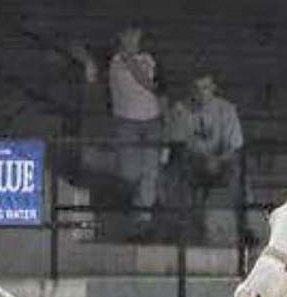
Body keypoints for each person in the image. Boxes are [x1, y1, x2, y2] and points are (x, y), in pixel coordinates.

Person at [178, 74, 252, 246]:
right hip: (197, 162)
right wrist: (204, 158)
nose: (202, 93)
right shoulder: (183, 110)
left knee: (239, 177)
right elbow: (184, 143)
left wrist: (218, 160)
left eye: (206, 88)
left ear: (213, 89)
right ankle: (187, 231)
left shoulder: (227, 109)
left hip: (223, 161)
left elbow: (235, 146)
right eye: (198, 88)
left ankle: (244, 227)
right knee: (179, 174)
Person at [107, 26, 162, 239]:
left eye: (136, 35)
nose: (133, 39)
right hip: (126, 122)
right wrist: (88, 63)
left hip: (151, 121)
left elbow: (155, 86)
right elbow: (76, 45)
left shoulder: (150, 59)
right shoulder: (112, 58)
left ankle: (143, 222)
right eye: (128, 35)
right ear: (120, 36)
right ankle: (131, 209)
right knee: (129, 173)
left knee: (150, 173)